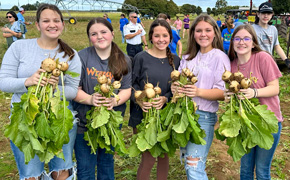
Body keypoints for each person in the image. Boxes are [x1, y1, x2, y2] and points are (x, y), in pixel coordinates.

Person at [0, 4, 81, 180]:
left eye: (56, 20)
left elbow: (73, 91)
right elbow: (3, 82)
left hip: (60, 117)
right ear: (37, 25)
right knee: (31, 173)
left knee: (61, 169)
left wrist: (54, 89)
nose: (52, 24)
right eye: (46, 21)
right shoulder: (19, 47)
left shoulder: (71, 55)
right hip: (25, 117)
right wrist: (28, 82)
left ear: (62, 24)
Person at [171, 14, 230, 180]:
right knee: (187, 161)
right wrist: (175, 87)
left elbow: (223, 93)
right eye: (199, 31)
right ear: (193, 34)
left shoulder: (220, 57)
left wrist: (198, 92)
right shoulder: (187, 57)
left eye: (207, 30)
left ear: (215, 33)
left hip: (203, 116)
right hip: (182, 114)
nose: (203, 34)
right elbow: (179, 81)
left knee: (194, 166)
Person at [72, 17, 131, 180]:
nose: (99, 36)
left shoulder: (124, 59)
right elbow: (74, 89)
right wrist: (90, 99)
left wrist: (115, 100)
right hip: (84, 123)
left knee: (106, 163)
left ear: (112, 34)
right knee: (85, 168)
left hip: (111, 123)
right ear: (89, 37)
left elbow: (126, 89)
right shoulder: (80, 57)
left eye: (104, 32)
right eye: (94, 34)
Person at [226, 24, 282, 180]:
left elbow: (275, 88)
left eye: (246, 38)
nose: (241, 42)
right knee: (245, 170)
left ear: (253, 42)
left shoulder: (263, 58)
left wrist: (254, 92)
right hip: (244, 124)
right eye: (237, 38)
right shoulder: (231, 65)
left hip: (267, 123)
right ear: (232, 42)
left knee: (263, 171)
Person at [129, 19, 180, 180]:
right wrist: (139, 99)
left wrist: (166, 98)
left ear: (170, 38)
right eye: (157, 35)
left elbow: (177, 89)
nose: (161, 39)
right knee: (149, 157)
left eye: (165, 35)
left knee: (164, 155)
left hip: (165, 115)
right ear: (150, 37)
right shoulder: (140, 57)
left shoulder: (176, 60)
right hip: (143, 115)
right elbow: (130, 84)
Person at [252, 1, 290, 68]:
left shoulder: (273, 29)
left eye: (268, 13)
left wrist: (286, 59)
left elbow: (277, 47)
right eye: (263, 13)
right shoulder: (252, 29)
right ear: (258, 14)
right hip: (255, 63)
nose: (266, 16)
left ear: (272, 14)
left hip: (269, 62)